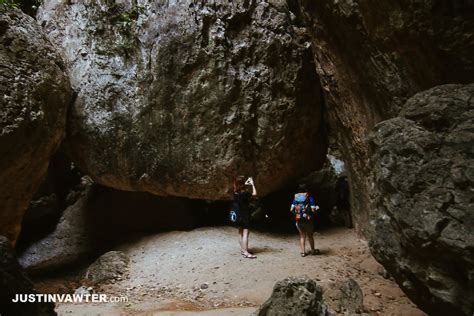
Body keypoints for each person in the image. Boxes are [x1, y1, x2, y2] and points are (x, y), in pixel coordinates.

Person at [290, 184, 319, 257]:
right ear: (306, 190)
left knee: (302, 236)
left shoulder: (295, 199)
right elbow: (313, 210)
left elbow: (291, 210)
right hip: (308, 220)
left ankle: (303, 252)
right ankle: (313, 250)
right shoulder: (309, 198)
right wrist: (316, 208)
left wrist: (297, 214)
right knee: (310, 236)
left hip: (299, 220)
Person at [232, 175, 257, 259]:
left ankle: (243, 250)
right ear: (243, 184)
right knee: (246, 234)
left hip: (238, 215)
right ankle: (246, 252)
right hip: (245, 215)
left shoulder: (235, 192)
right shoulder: (245, 193)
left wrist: (242, 183)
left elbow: (236, 186)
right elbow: (255, 194)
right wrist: (252, 184)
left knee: (240, 233)